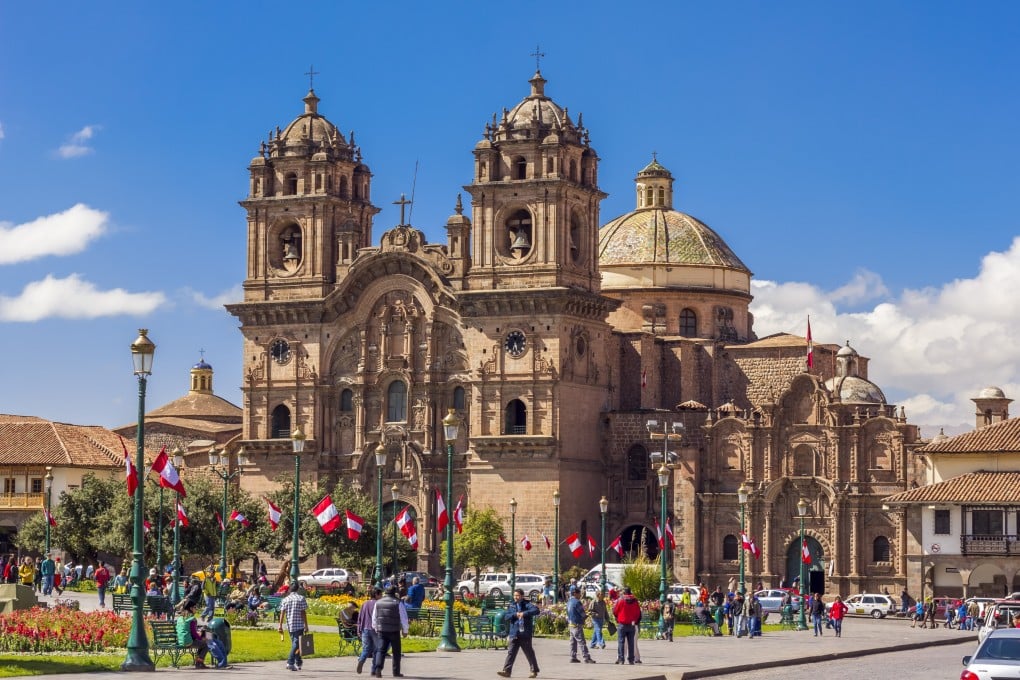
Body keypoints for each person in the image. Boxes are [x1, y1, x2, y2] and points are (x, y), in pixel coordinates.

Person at [497, 588, 540, 679]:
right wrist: (515, 614)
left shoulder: (527, 604)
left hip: (525, 634)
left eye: (517, 595)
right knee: (511, 653)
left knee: (529, 653)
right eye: (514, 595)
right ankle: (507, 671)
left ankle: (534, 671)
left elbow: (536, 610)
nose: (515, 597)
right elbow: (506, 616)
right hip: (514, 633)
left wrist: (524, 613)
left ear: (522, 596)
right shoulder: (512, 605)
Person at [372, 585, 408, 678]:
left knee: (381, 650)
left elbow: (374, 617)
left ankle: (378, 669)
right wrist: (405, 630)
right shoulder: (398, 602)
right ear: (394, 592)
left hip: (382, 630)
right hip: (394, 630)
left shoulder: (378, 602)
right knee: (396, 652)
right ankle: (396, 672)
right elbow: (404, 617)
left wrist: (376, 627)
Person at [278, 582, 308, 672]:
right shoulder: (301, 598)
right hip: (299, 625)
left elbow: (282, 613)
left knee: (295, 644)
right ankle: (290, 662)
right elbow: (303, 613)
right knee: (296, 644)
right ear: (298, 589)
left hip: (290, 625)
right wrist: (306, 625)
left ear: (290, 589)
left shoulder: (285, 599)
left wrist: (280, 625)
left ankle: (298, 661)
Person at [565, 585, 595, 664]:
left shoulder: (569, 601)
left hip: (571, 624)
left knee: (573, 642)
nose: (580, 595)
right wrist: (587, 615)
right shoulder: (577, 602)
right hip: (577, 624)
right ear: (575, 593)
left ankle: (573, 657)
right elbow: (582, 614)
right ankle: (586, 658)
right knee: (581, 642)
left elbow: (567, 612)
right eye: (579, 593)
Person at [175, 603, 210, 669]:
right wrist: (201, 638)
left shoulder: (180, 618)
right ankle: (199, 663)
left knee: (202, 643)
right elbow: (194, 634)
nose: (196, 609)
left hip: (180, 641)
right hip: (188, 641)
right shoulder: (192, 619)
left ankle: (199, 662)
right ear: (190, 608)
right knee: (205, 644)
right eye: (195, 607)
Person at [613, 586, 641, 664]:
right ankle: (631, 660)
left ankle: (621, 659)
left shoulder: (620, 600)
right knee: (631, 642)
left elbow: (615, 611)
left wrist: (617, 617)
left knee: (621, 642)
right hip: (631, 624)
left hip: (622, 623)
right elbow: (638, 613)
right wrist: (635, 621)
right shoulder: (635, 601)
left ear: (624, 592)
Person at [356, 587, 381, 676]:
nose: (381, 596)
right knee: (377, 650)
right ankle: (373, 669)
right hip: (375, 629)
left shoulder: (364, 604)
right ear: (377, 594)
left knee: (366, 648)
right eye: (380, 594)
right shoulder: (378, 604)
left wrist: (359, 629)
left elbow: (360, 617)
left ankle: (361, 660)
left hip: (365, 629)